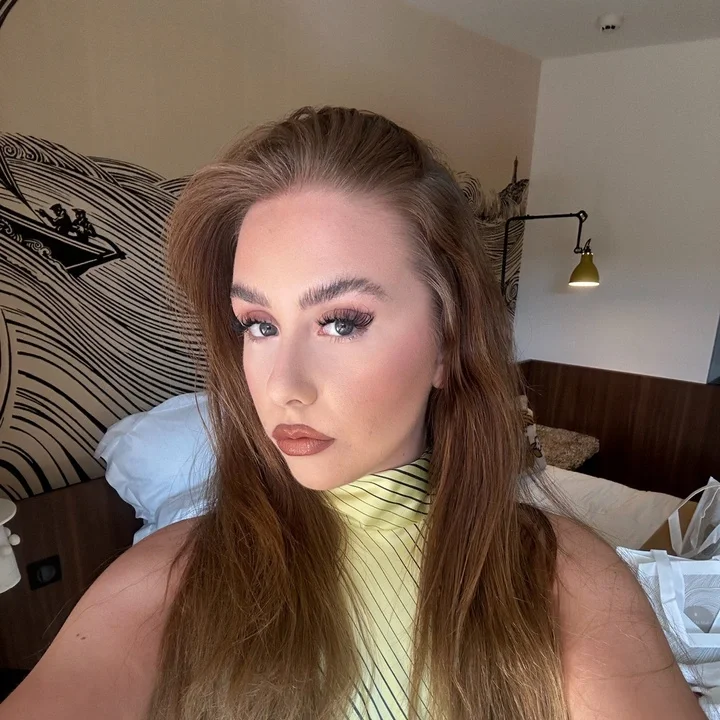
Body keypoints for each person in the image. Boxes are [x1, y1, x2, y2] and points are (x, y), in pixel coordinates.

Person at [2, 107, 703, 720]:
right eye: (258, 325)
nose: (284, 387)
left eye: (342, 321)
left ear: (447, 343)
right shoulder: (167, 580)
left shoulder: (563, 577)